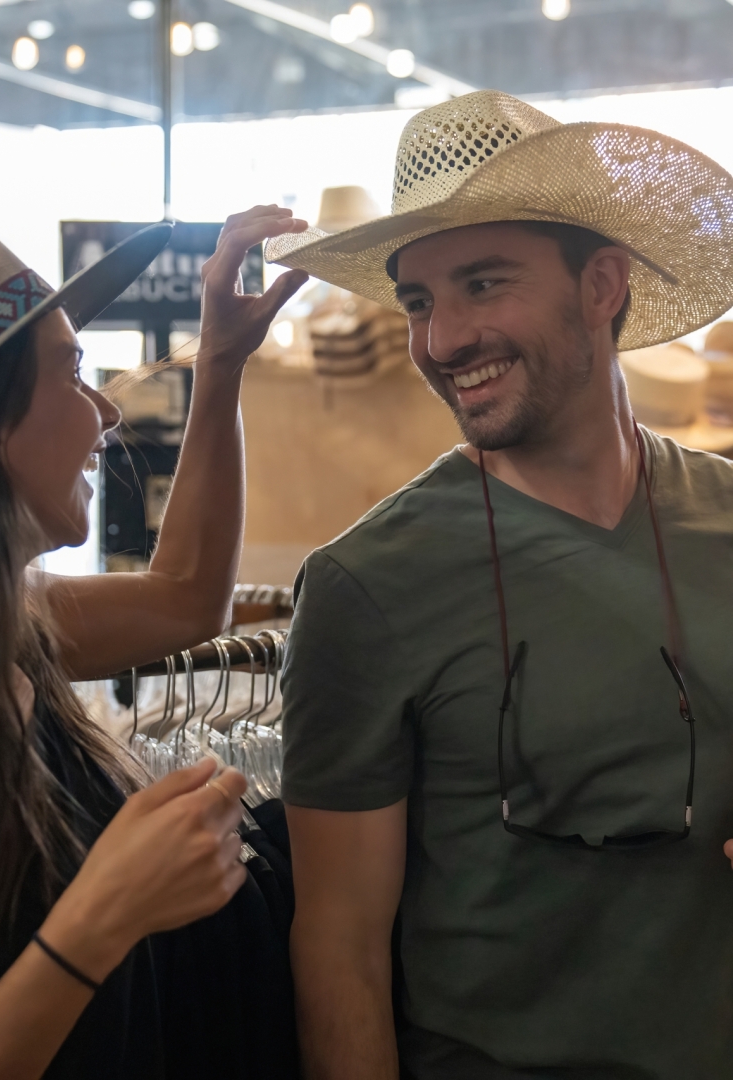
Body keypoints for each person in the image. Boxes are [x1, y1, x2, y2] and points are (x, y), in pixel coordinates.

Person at [266, 91, 733, 1079]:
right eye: (421, 302)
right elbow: (339, 950)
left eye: (483, 284)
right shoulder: (367, 588)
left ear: (603, 283)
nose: (442, 341)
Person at [0, 204, 308, 1079]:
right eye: (74, 375)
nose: (107, 411)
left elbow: (185, 597)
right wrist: (105, 912)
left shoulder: (4, 621)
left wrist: (222, 364)